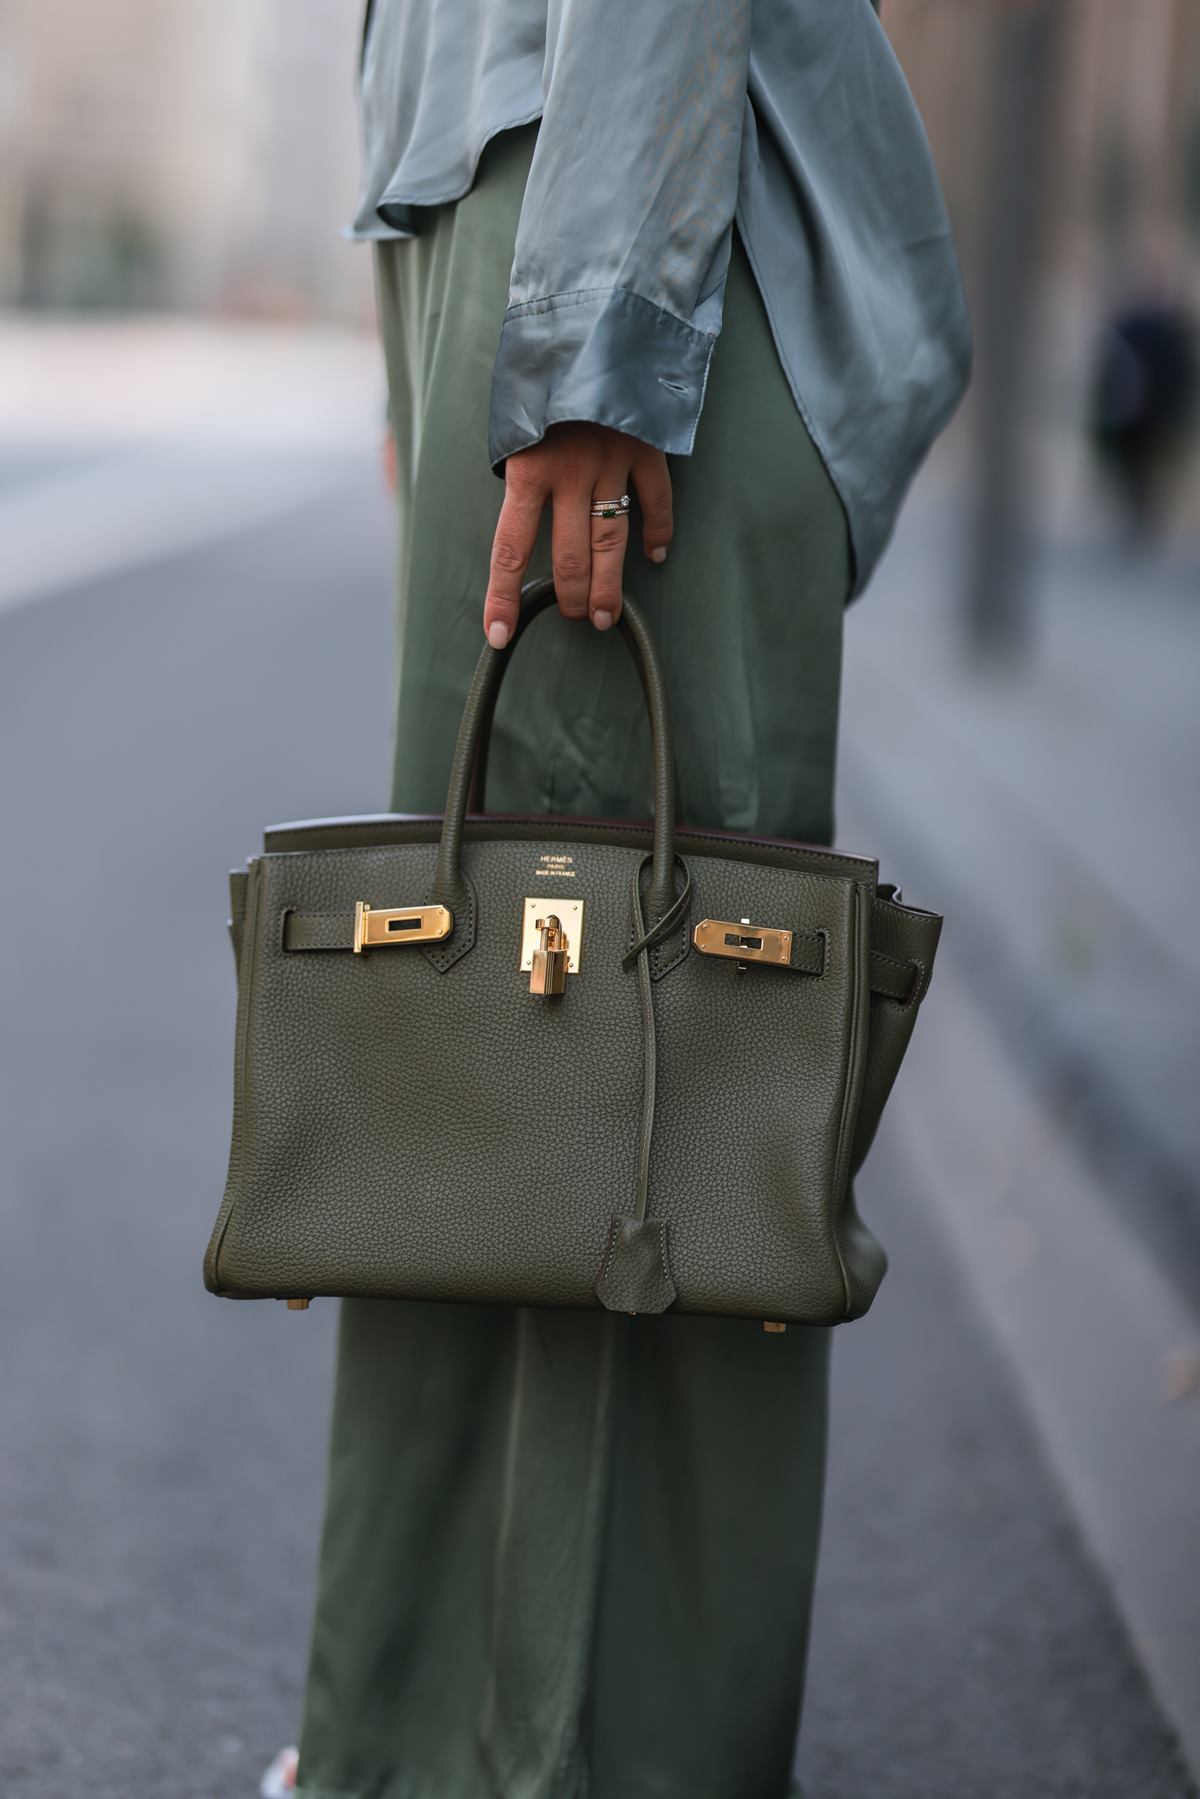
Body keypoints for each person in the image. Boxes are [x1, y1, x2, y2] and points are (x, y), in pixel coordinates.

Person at [266, 4, 970, 1795]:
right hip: (514, 206)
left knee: (626, 1080)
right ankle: (413, 1740)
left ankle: (575, 1761)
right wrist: (412, 322)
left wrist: (592, 342)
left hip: (615, 209)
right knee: (487, 1086)